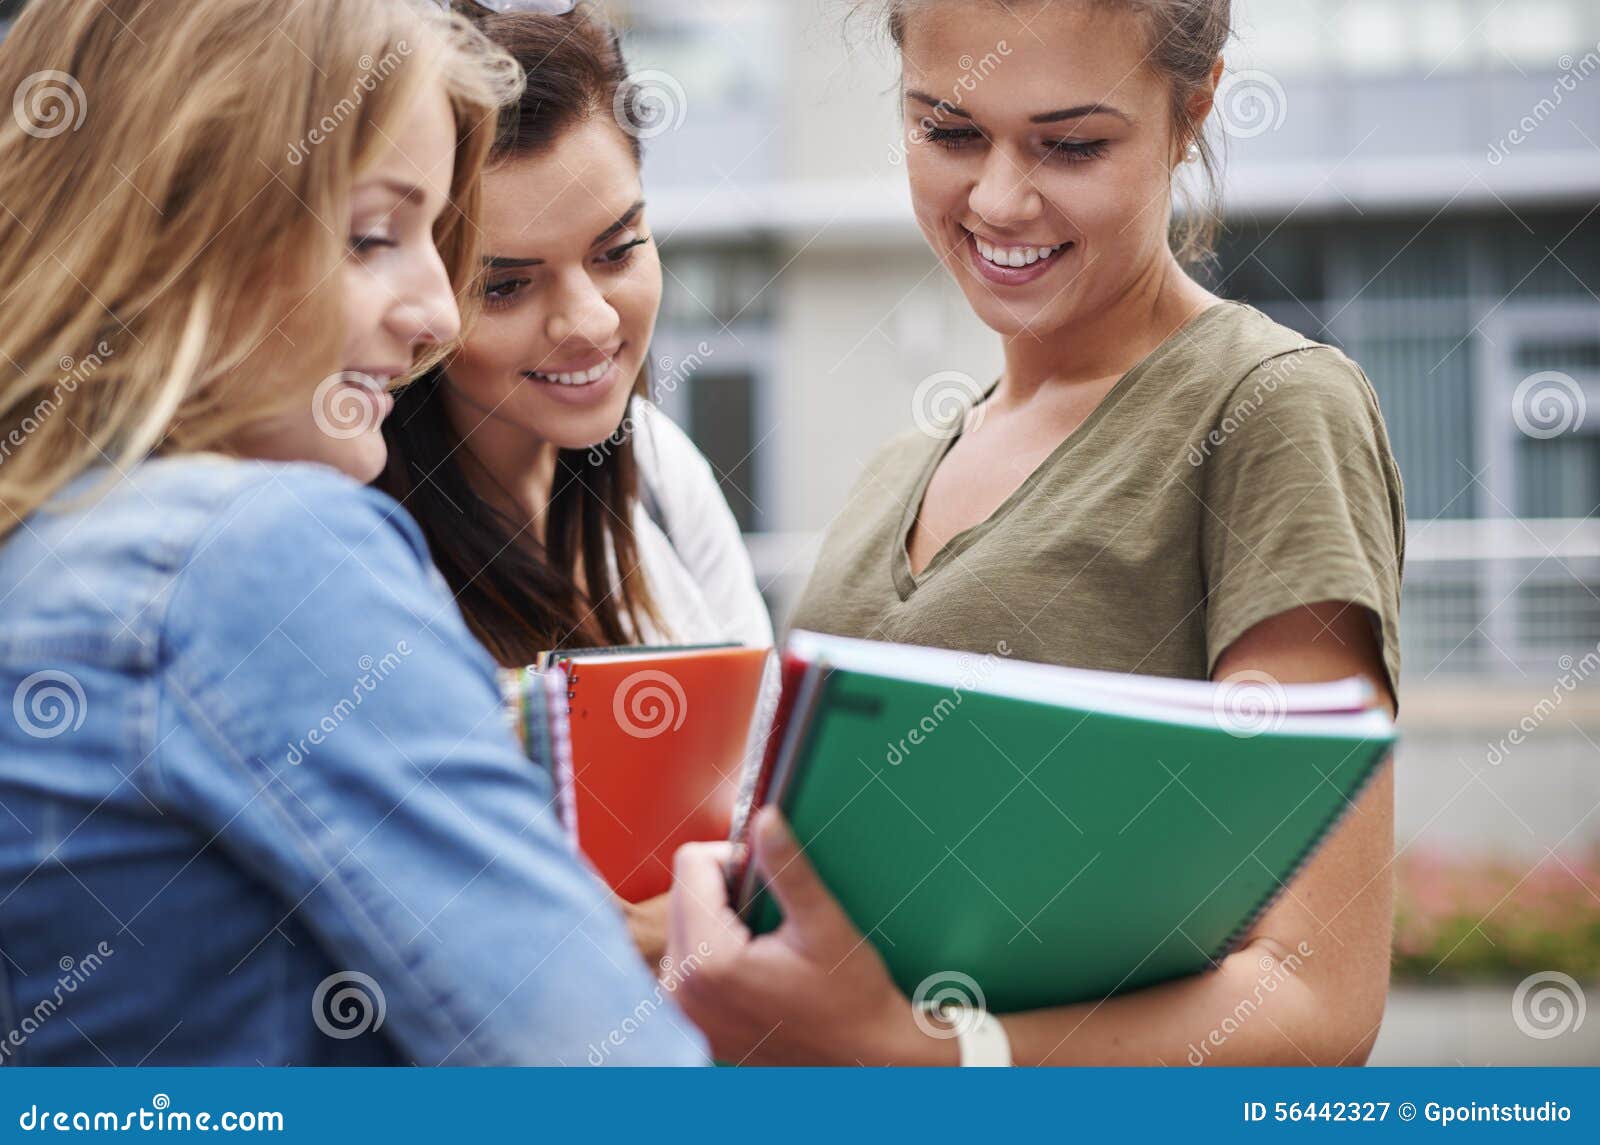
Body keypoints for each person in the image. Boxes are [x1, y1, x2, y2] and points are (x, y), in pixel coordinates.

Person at [668, 0, 1403, 1067]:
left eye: (1070, 144)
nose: (1000, 199)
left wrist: (927, 1053)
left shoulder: (1268, 411)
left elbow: (1312, 1000)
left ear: (1189, 111)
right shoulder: (898, 471)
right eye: (949, 132)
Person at [0, 0, 702, 1066]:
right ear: (183, 218)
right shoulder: (256, 555)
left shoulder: (48, 549)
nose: (435, 313)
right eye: (373, 236)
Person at [378, 3, 773, 967]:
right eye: (507, 286)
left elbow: (771, 815)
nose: (592, 322)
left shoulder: (662, 475)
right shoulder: (369, 564)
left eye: (618, 248)